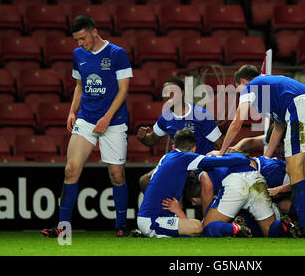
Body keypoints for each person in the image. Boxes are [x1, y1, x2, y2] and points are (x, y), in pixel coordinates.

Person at [41, 15, 133, 238]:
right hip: (87, 118)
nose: (79, 43)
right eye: (76, 40)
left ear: (94, 31)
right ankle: (63, 227)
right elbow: (79, 86)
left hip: (114, 121)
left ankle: (121, 226)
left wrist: (108, 117)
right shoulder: (78, 55)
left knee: (116, 174)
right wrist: (72, 111)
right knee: (71, 170)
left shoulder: (117, 54)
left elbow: (124, 90)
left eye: (82, 38)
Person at [217, 65, 305, 237]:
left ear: (243, 82)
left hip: (300, 107)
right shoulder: (271, 90)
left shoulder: (249, 86)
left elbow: (237, 122)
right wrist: (266, 158)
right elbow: (278, 127)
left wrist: (221, 151)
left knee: (294, 170)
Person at [136, 129, 252, 238]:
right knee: (197, 227)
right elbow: (227, 161)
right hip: (153, 220)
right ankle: (235, 228)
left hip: (152, 217)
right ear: (194, 149)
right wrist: (243, 157)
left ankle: (147, 232)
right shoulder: (186, 158)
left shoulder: (166, 157)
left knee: (192, 228)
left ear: (173, 146)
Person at [137, 77, 224, 192]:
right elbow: (152, 140)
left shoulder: (201, 115)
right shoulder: (165, 118)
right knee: (145, 182)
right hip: (180, 164)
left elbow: (222, 145)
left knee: (197, 190)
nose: (168, 95)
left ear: (182, 92)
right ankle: (162, 209)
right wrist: (142, 137)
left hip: (201, 164)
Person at [195, 151, 298, 238]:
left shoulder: (196, 167)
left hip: (235, 181)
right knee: (269, 231)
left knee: (207, 228)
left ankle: (235, 228)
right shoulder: (214, 154)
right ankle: (284, 224)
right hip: (256, 176)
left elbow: (207, 186)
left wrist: (205, 217)